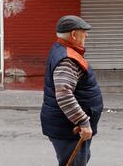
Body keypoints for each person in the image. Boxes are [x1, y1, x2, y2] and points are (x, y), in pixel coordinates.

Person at [40, 15, 103, 166]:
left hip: (67, 126)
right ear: (74, 34)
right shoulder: (67, 59)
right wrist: (83, 121)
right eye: (84, 31)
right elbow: (64, 95)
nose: (86, 35)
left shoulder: (61, 49)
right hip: (70, 129)